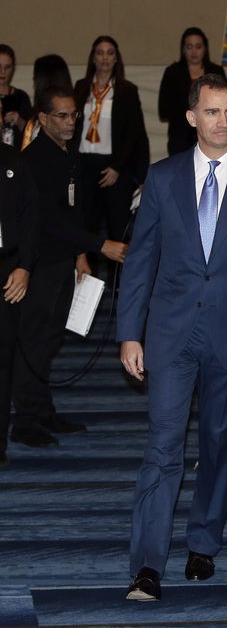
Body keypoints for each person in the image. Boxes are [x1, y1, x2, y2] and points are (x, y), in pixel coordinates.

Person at [118, 74, 227, 602]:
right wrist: (130, 333)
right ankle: (147, 565)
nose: (222, 121)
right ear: (191, 117)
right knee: (163, 447)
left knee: (220, 444)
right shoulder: (163, 177)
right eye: (212, 111)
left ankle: (203, 541)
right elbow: (141, 259)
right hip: (170, 335)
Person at [13, 87, 127, 449]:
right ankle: (26, 422)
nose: (70, 122)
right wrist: (98, 245)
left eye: (74, 114)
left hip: (64, 260)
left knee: (49, 341)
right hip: (40, 263)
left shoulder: (68, 153)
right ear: (43, 119)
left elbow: (72, 209)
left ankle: (42, 410)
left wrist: (80, 254)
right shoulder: (34, 160)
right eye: (61, 116)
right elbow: (46, 220)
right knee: (32, 344)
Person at [73, 36, 149, 254]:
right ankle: (87, 282)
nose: (105, 57)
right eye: (100, 52)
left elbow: (135, 135)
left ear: (116, 58)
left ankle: (119, 285)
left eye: (110, 53)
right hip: (85, 164)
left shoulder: (126, 90)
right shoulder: (81, 87)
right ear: (93, 58)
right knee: (86, 227)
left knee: (118, 228)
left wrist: (119, 167)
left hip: (115, 167)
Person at [0, 142, 38, 466]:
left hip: (7, 269)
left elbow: (31, 220)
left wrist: (25, 266)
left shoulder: (14, 161)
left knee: (3, 359)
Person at [158, 27, 227, 156]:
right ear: (183, 49)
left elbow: (224, 101)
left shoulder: (216, 71)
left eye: (198, 47)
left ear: (205, 49)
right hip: (180, 136)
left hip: (211, 132)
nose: (194, 51)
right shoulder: (172, 72)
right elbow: (163, 109)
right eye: (189, 47)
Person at [0, 45, 31, 147]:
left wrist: (20, 121)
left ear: (13, 69)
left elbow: (31, 134)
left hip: (14, 155)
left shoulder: (21, 97)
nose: (2, 71)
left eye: (7, 67)